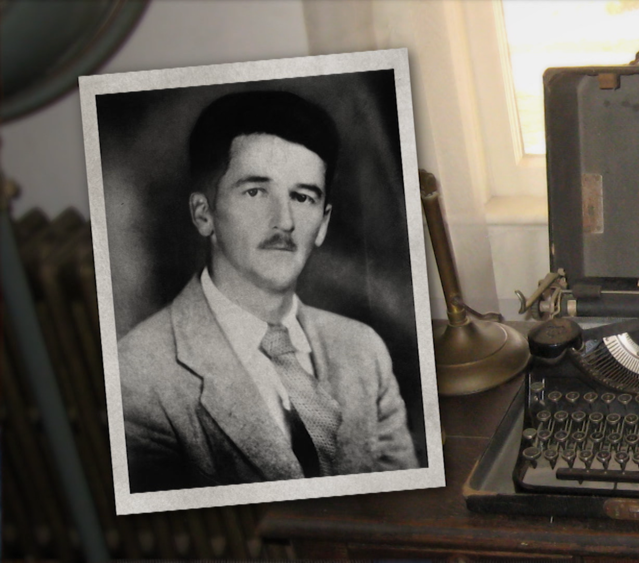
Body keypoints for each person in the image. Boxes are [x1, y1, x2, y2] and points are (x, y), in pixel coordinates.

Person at [117, 90, 418, 493]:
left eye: (303, 196)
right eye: (256, 191)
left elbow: (405, 505)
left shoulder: (363, 350)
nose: (285, 221)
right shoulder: (139, 375)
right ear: (203, 213)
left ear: (324, 223)